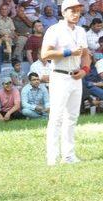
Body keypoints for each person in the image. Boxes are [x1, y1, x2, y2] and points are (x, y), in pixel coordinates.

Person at [41, 0, 91, 165]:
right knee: (56, 117)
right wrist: (68, 52)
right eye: (72, 11)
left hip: (76, 76)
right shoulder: (54, 30)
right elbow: (45, 54)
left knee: (72, 117)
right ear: (64, 12)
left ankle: (69, 155)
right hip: (60, 76)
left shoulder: (81, 31)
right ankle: (52, 157)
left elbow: (85, 54)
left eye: (78, 11)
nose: (76, 14)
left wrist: (85, 70)